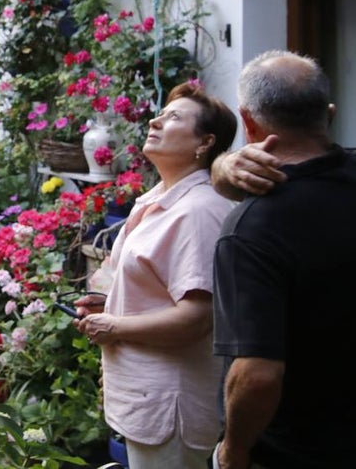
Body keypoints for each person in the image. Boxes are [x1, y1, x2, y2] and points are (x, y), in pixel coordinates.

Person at [73, 83, 237, 469]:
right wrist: (112, 303)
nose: (155, 120)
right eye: (161, 113)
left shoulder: (198, 211)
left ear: (205, 142)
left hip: (173, 404)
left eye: (174, 117)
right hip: (149, 398)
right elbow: (160, 288)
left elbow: (196, 317)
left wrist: (114, 326)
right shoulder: (158, 200)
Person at [210, 51, 355, 469]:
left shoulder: (252, 228)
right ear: (328, 114)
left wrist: (233, 452)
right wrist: (222, 169)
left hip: (297, 451)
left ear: (248, 122)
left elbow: (257, 374)